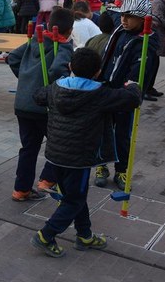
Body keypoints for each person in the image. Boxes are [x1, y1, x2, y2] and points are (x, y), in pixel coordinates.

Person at [30, 48, 142, 258]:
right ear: (98, 72)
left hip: (55, 155)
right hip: (78, 159)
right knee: (74, 200)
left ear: (70, 67)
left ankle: (85, 235)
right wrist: (134, 86)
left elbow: (38, 95)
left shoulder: (55, 88)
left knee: (75, 197)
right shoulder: (99, 94)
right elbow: (131, 99)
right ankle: (46, 235)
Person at [7, 8, 74, 201]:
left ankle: (21, 190)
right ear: (69, 30)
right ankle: (47, 180)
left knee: (28, 147)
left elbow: (12, 58)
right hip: (44, 106)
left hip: (23, 104)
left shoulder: (36, 40)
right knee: (60, 143)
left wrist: (27, 80)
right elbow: (56, 71)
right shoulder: (63, 46)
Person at [95, 0, 158, 190]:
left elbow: (142, 72)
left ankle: (121, 170)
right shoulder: (119, 32)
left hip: (124, 95)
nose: (124, 19)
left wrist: (133, 91)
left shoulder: (145, 43)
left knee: (122, 135)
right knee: (103, 131)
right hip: (106, 89)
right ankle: (101, 166)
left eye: (130, 16)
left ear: (142, 20)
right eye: (123, 15)